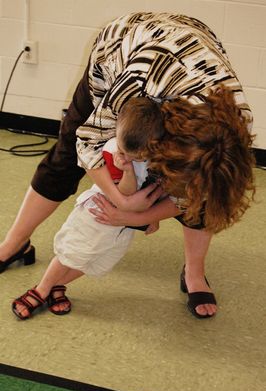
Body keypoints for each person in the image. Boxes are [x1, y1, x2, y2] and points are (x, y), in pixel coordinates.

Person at [1, 12, 255, 319]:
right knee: (64, 158)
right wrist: (122, 199)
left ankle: (194, 272)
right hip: (124, 50)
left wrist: (138, 213)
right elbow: (87, 142)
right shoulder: (138, 81)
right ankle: (14, 244)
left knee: (206, 190)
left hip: (191, 51)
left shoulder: (233, 126)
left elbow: (196, 194)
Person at [12, 112, 169, 319]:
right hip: (98, 213)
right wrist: (128, 170)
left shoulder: (153, 154)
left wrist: (152, 217)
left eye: (137, 156)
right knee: (72, 253)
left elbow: (156, 186)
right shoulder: (114, 151)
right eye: (126, 152)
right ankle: (42, 289)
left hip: (125, 224)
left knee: (96, 260)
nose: (128, 158)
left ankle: (57, 285)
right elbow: (126, 192)